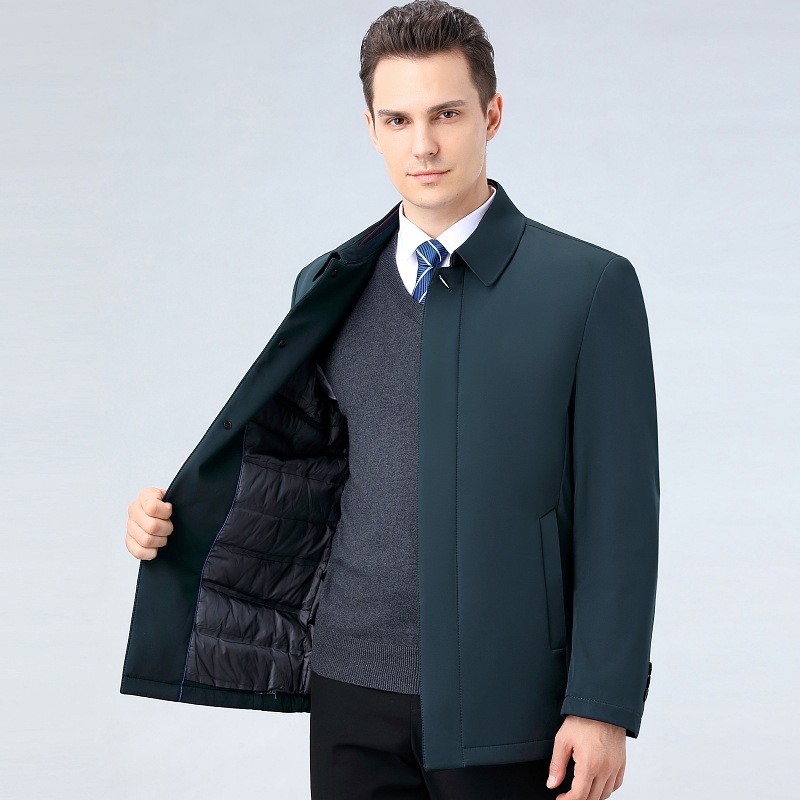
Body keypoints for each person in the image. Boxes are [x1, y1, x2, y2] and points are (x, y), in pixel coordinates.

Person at [121, 2, 659, 799]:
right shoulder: (330, 284)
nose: (424, 145)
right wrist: (178, 519)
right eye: (399, 119)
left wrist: (603, 704)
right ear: (370, 129)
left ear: (492, 115)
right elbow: (302, 470)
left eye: (447, 114)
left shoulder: (588, 288)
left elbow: (623, 515)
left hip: (512, 698)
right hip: (351, 687)